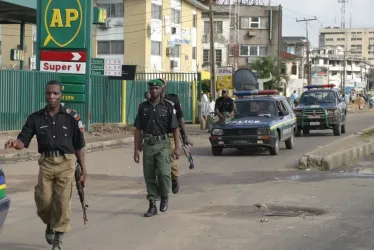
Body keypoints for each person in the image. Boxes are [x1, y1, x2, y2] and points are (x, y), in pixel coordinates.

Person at [6, 80, 87, 250]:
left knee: (63, 201)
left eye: (55, 93)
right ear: (45, 94)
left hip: (66, 162)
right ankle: (50, 223)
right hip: (46, 164)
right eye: (49, 93)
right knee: (44, 202)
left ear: (60, 95)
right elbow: (23, 139)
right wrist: (15, 143)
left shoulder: (72, 117)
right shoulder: (35, 117)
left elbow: (79, 146)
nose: (51, 96)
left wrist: (83, 169)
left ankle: (58, 236)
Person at [133, 79, 180, 217]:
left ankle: (164, 196)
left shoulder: (168, 106)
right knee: (149, 176)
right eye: (152, 88)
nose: (153, 91)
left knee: (164, 173)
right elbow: (137, 129)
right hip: (148, 144)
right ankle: (152, 204)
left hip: (164, 144)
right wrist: (136, 149)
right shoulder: (143, 107)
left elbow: (175, 128)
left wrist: (177, 148)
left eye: (156, 88)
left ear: (161, 90)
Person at [159, 78, 193, 194]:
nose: (157, 88)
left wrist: (185, 136)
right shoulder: (151, 100)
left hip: (171, 135)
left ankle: (174, 179)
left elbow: (180, 119)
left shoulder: (173, 99)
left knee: (172, 162)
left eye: (160, 85)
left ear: (165, 87)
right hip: (156, 137)